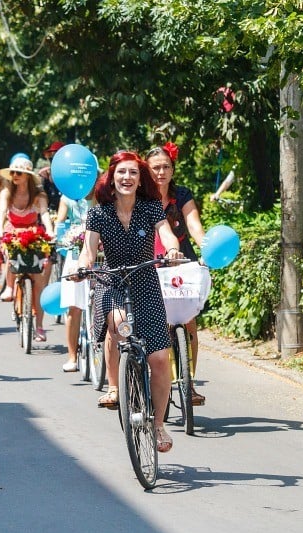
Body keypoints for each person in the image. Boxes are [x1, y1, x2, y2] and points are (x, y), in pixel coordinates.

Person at [76, 150, 184, 453]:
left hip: (146, 282)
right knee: (120, 326)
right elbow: (89, 249)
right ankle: (120, 381)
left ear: (140, 179)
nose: (127, 178)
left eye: (133, 173)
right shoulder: (99, 213)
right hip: (112, 281)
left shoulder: (151, 208)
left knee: (160, 359)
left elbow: (168, 235)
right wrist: (83, 266)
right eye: (121, 173)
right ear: (112, 178)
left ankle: (159, 425)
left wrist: (172, 251)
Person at [146, 143, 207, 405]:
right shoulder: (140, 197)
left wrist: (207, 249)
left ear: (173, 169)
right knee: (157, 324)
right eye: (156, 167)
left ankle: (189, 383)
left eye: (166, 167)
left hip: (182, 260)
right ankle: (154, 378)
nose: (161, 172)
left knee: (189, 323)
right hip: (150, 261)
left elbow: (194, 225)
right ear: (146, 170)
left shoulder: (182, 195)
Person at [0, 157, 53, 341]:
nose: (14, 176)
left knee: (39, 282)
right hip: (12, 231)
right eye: (12, 172)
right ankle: (10, 286)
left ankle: (39, 327)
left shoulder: (39, 195)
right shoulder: (7, 192)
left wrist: (50, 231)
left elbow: (44, 215)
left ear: (27, 176)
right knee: (10, 254)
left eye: (18, 173)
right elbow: (1, 215)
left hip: (32, 233)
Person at [55, 184, 95, 372]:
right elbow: (61, 223)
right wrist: (62, 237)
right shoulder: (68, 198)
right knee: (74, 306)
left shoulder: (103, 196)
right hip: (75, 253)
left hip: (99, 254)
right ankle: (72, 355)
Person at [37, 140, 65, 214]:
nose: (53, 157)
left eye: (56, 154)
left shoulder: (70, 175)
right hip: (50, 215)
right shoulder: (44, 175)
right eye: (51, 155)